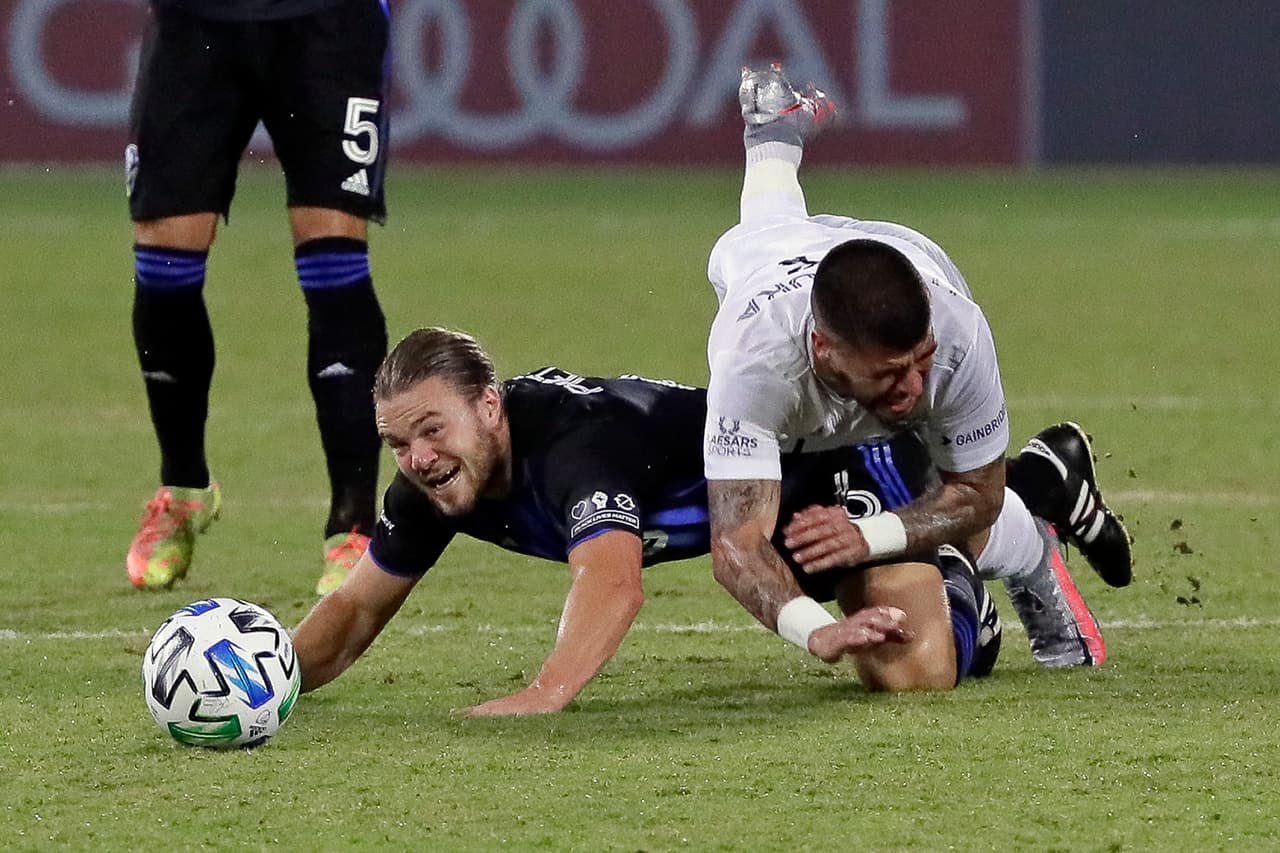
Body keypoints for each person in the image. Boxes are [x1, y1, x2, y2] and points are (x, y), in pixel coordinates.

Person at [292, 328, 1015, 716]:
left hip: (836, 467)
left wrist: (545, 693)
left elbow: (614, 583)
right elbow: (356, 610)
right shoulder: (438, 479)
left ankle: (961, 574)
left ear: (488, 407)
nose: (417, 458)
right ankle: (1017, 506)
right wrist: (274, 679)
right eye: (397, 443)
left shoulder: (577, 446)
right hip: (755, 531)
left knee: (912, 675)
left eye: (430, 430)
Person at [702, 65, 1131, 674]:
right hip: (781, 267)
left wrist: (873, 534)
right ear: (824, 349)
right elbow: (736, 543)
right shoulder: (755, 364)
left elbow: (975, 495)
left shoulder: (955, 333)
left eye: (919, 361)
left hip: (903, 257)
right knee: (764, 227)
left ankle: (1029, 541)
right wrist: (817, 632)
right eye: (889, 373)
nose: (913, 387)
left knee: (918, 646)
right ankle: (1043, 481)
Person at [123, 0, 391, 595]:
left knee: (335, 261)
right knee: (164, 265)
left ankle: (352, 528)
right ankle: (183, 488)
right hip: (195, 21)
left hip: (327, 19)